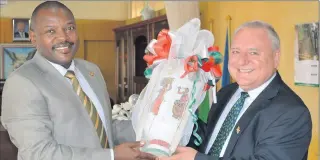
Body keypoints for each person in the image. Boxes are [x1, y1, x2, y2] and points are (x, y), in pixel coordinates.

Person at [1, 1, 155, 160]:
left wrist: (155, 131)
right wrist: (111, 155)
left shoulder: (90, 70)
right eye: (51, 31)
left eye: (69, 28)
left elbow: (103, 126)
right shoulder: (22, 82)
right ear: (33, 38)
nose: (63, 37)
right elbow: (38, 153)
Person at [158, 21, 312, 160]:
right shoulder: (226, 93)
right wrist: (175, 119)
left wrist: (197, 159)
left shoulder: (292, 113)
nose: (242, 61)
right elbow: (207, 140)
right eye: (236, 52)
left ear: (276, 57)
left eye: (253, 53)